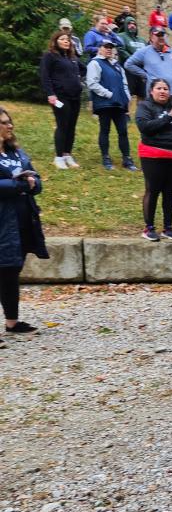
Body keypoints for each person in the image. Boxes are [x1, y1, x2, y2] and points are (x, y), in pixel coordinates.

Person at [0, 107, 47, 342]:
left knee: (11, 270)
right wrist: (18, 185)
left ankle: (12, 322)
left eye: (10, 122)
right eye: (4, 123)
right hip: (2, 221)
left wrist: (32, 183)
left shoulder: (16, 152)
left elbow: (35, 179)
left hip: (21, 220)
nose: (10, 126)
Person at [135, 79, 172, 241]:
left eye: (166, 89)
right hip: (153, 154)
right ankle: (149, 228)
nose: (163, 91)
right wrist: (167, 119)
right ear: (151, 91)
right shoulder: (144, 107)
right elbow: (145, 127)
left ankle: (168, 227)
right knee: (152, 191)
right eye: (159, 88)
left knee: (170, 193)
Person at [86, 39, 136, 172]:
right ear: (99, 48)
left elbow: (124, 83)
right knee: (105, 130)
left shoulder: (117, 65)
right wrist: (108, 94)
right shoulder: (95, 63)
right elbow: (92, 83)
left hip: (119, 103)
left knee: (123, 131)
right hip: (105, 104)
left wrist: (127, 96)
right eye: (106, 47)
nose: (109, 49)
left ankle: (127, 158)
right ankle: (106, 158)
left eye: (111, 47)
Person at [40, 30, 85, 170]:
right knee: (62, 125)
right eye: (63, 39)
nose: (67, 41)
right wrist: (50, 93)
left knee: (71, 126)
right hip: (60, 97)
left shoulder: (72, 58)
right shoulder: (50, 56)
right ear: (55, 41)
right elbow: (44, 75)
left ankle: (67, 155)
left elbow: (84, 69)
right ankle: (58, 157)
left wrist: (79, 81)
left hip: (75, 97)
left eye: (68, 39)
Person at [124, 27, 172, 106]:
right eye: (158, 35)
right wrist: (145, 75)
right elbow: (128, 64)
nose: (161, 37)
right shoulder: (145, 52)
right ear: (151, 38)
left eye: (163, 35)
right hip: (156, 98)